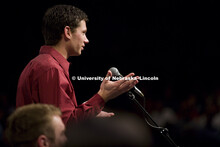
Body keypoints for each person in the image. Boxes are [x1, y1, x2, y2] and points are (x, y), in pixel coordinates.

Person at [16, 4, 139, 125]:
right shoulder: (51, 69)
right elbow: (65, 125)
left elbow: (65, 118)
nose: (86, 40)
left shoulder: (42, 64)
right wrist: (103, 96)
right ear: (68, 32)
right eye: (83, 32)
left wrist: (90, 113)